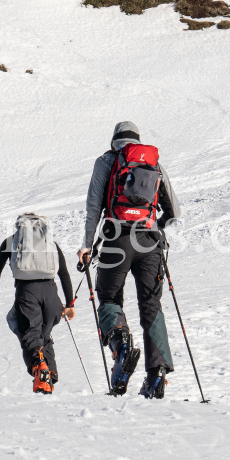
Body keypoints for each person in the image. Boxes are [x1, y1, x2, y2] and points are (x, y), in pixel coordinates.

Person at [77, 121, 180, 399]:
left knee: (109, 298)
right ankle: (156, 373)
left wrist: (87, 246)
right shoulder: (152, 163)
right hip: (149, 242)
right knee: (151, 304)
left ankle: (120, 344)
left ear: (114, 141)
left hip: (116, 240)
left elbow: (93, 208)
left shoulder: (106, 162)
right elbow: (173, 212)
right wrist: (153, 225)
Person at [0, 214, 75, 394]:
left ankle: (38, 367)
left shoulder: (11, 241)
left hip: (27, 291)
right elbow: (64, 273)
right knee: (45, 335)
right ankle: (49, 376)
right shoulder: (50, 242)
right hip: (51, 293)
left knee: (29, 334)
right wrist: (70, 303)